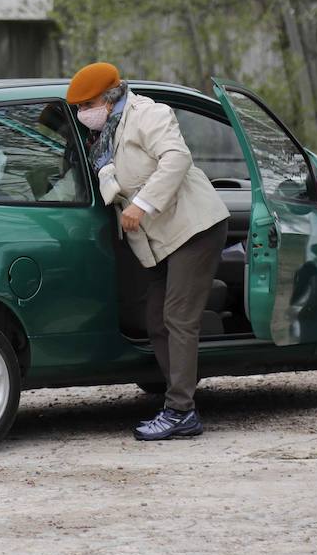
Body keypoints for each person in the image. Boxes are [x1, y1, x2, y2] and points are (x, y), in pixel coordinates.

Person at [66, 62, 230, 441]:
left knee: (178, 317)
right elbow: (109, 180)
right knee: (156, 319)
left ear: (109, 98)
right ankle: (180, 398)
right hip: (156, 237)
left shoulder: (149, 115)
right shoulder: (103, 135)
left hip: (193, 226)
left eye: (87, 104)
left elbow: (176, 159)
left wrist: (142, 204)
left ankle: (181, 411)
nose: (82, 114)